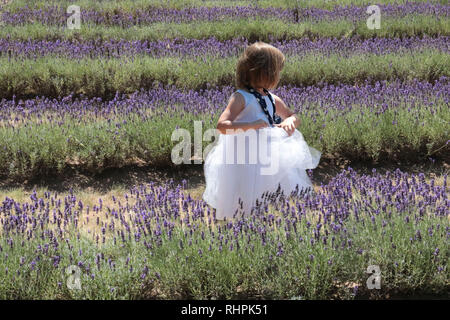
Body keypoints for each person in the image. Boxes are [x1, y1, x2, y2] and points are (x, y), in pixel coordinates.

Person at [203, 41, 321, 220]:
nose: (278, 76)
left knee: (270, 188)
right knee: (245, 192)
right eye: (276, 71)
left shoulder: (272, 98)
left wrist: (291, 121)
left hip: (269, 154)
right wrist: (251, 125)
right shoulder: (241, 97)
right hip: (244, 157)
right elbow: (222, 126)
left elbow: (293, 115)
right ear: (263, 72)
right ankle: (243, 221)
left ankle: (262, 221)